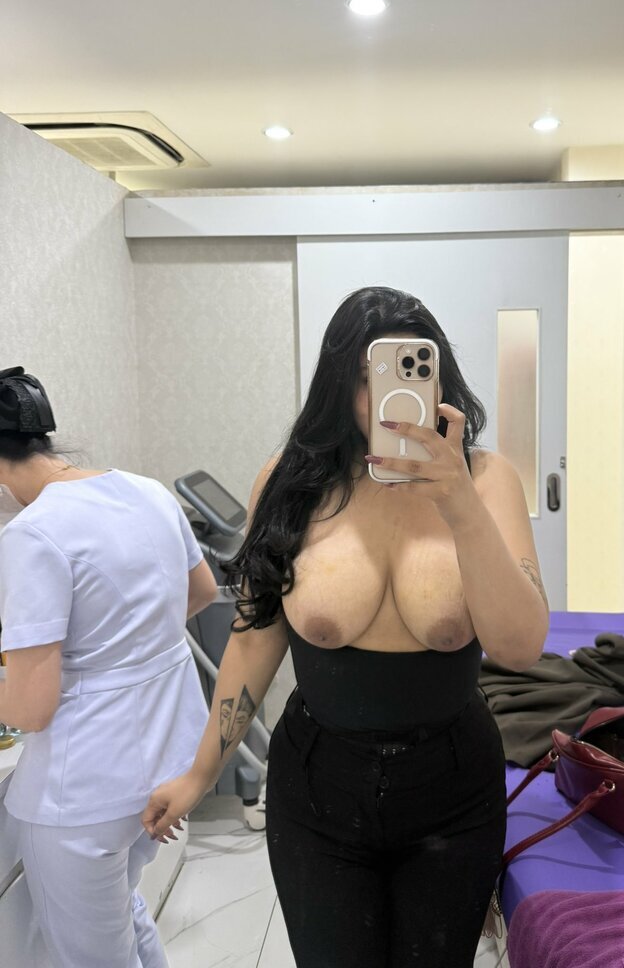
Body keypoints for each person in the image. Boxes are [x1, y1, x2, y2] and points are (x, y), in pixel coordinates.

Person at [144, 287, 549, 968]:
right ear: (336, 385)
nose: (382, 399)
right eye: (364, 378)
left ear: (438, 375)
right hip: (317, 789)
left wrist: (460, 506)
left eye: (407, 369)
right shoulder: (290, 484)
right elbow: (254, 637)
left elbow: (520, 645)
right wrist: (200, 772)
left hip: (453, 790)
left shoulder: (485, 480)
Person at [0, 366, 218, 968]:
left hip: (83, 795)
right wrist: (120, 649)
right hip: (165, 770)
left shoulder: (32, 533)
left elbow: (30, 709)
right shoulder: (147, 490)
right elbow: (200, 591)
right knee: (124, 911)